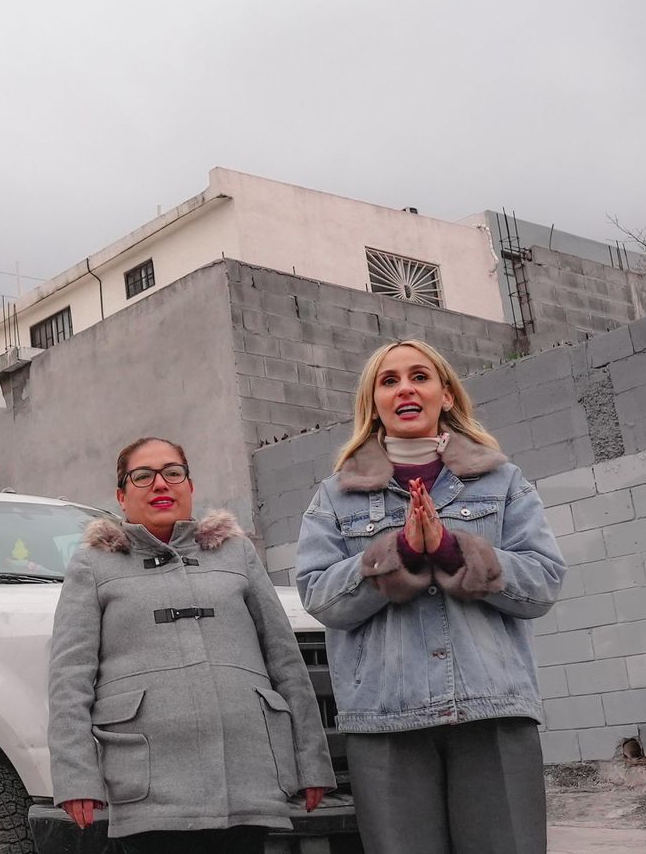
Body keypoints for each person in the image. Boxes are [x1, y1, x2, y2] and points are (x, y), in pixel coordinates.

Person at [295, 339, 566, 854]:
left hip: (492, 711)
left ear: (446, 394)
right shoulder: (334, 496)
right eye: (389, 380)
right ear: (373, 403)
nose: (405, 390)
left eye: (419, 376)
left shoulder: (502, 482)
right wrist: (398, 550)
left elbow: (543, 583)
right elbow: (320, 597)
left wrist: (449, 548)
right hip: (385, 718)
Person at [48, 437, 335, 854]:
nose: (160, 484)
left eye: (172, 473)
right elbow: (69, 679)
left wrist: (312, 762)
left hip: (247, 771)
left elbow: (285, 662)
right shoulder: (93, 565)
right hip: (148, 782)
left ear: (190, 486)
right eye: (143, 476)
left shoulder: (235, 552)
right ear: (121, 495)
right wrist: (76, 778)